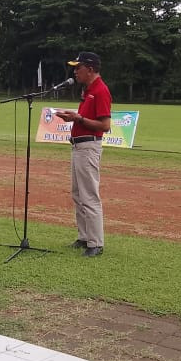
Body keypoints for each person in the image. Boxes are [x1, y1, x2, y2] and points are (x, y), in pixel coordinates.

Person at [55, 52, 112, 258]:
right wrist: (74, 118)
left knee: (89, 196)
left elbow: (105, 125)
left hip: (89, 147)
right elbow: (85, 119)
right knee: (78, 194)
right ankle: (84, 237)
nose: (75, 71)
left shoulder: (100, 90)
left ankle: (96, 243)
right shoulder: (88, 90)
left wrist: (78, 119)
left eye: (78, 67)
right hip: (79, 147)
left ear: (90, 69)